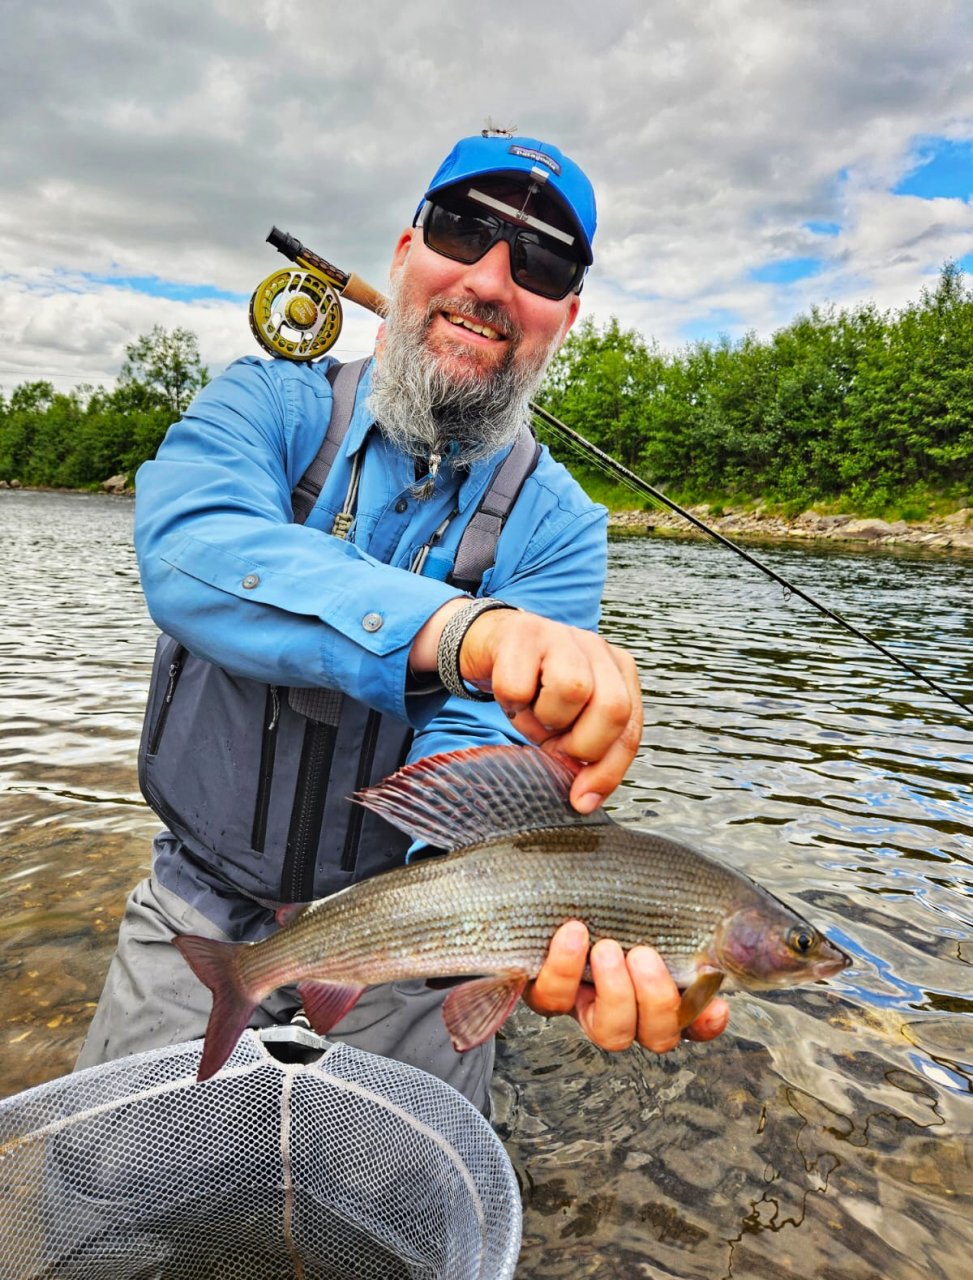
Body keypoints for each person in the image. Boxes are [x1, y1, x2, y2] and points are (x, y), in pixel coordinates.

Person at [77, 132, 728, 1111]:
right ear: (403, 252)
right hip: (196, 904)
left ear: (565, 317)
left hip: (419, 945)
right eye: (461, 229)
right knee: (114, 1175)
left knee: (390, 1204)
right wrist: (466, 633)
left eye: (542, 262)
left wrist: (532, 926)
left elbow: (485, 763)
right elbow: (188, 547)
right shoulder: (265, 402)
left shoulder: (560, 528)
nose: (491, 280)